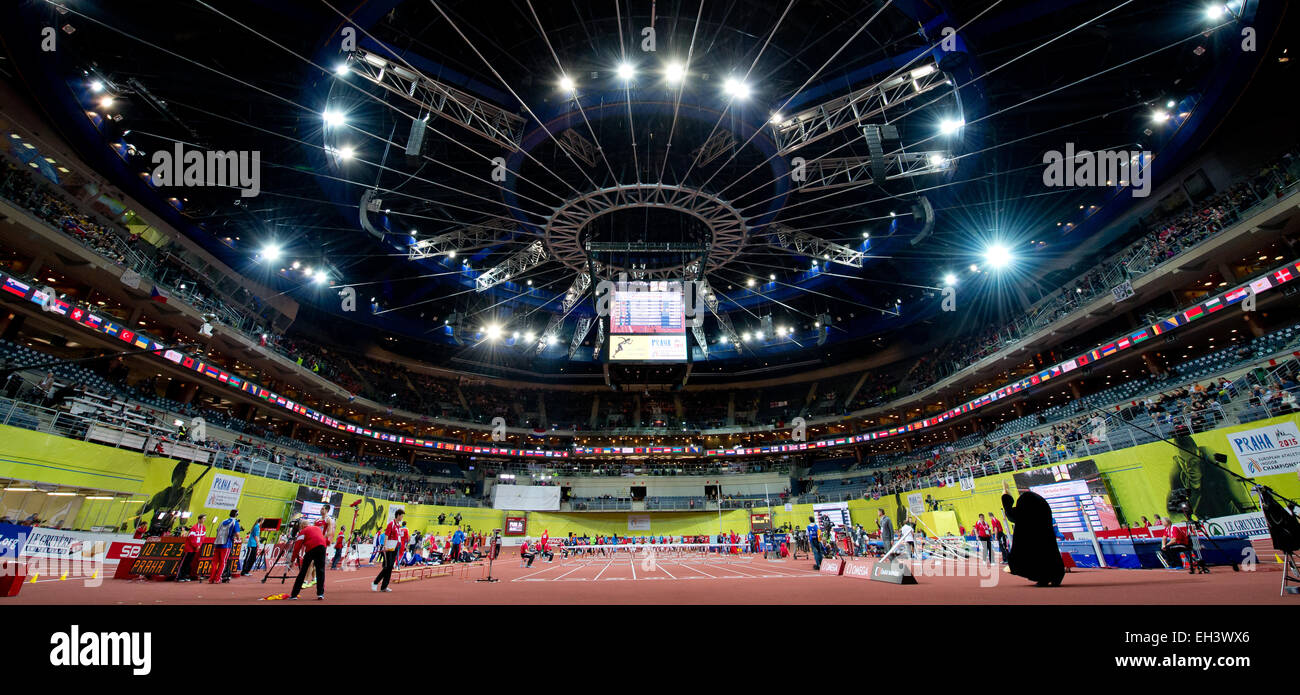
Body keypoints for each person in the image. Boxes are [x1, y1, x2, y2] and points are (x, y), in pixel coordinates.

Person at [1001, 481, 1065, 586]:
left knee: (1036, 556)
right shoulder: (1041, 504)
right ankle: (1054, 577)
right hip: (1046, 537)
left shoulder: (1026, 504)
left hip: (1033, 540)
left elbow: (1012, 515)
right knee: (1050, 554)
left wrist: (1005, 498)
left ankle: (1043, 578)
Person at [289, 520, 328, 600]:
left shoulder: (303, 531)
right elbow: (322, 538)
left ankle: (294, 594)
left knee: (303, 571)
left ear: (302, 526)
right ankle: (320, 594)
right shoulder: (317, 528)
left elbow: (297, 547)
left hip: (311, 548)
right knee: (320, 570)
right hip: (322, 547)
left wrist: (292, 560)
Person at [372, 510, 404, 592]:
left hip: (395, 548)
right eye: (402, 516)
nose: (402, 517)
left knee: (390, 567)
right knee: (387, 567)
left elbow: (398, 537)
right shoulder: (391, 524)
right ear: (398, 515)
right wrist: (385, 546)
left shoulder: (398, 525)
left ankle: (384, 586)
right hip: (389, 548)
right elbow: (386, 535)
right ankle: (375, 582)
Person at [208, 510, 241, 584]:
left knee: (214, 562)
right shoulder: (235, 522)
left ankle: (211, 579)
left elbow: (217, 530)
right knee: (223, 562)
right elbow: (237, 534)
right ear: (236, 515)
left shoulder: (223, 521)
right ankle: (217, 579)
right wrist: (237, 538)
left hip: (218, 543)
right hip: (226, 544)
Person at [176, 514, 206, 582]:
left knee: (189, 562)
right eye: (203, 518)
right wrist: (196, 545)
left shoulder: (203, 528)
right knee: (184, 562)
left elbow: (203, 537)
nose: (204, 520)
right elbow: (191, 538)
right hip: (189, 548)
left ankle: (185, 575)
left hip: (195, 548)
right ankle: (179, 576)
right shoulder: (194, 528)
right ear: (199, 519)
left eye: (205, 518)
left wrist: (199, 545)